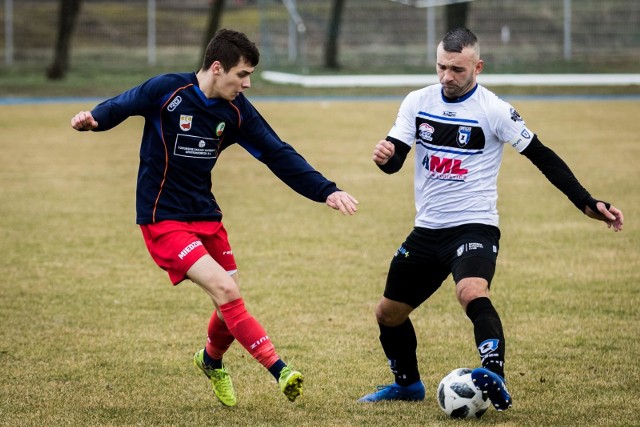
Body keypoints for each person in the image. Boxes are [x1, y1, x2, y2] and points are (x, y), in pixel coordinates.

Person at [71, 28, 358, 407]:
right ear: (217, 68)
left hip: (206, 215)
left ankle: (210, 360)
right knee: (227, 291)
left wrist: (326, 189)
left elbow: (278, 153)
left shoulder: (236, 111)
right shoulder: (168, 91)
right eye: (243, 74)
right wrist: (96, 119)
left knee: (227, 305)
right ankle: (280, 368)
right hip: (162, 218)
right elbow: (123, 104)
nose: (248, 83)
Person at [358, 27, 623, 410]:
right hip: (428, 228)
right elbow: (396, 157)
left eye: (457, 70)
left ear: (478, 67)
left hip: (475, 223)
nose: (447, 77)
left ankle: (493, 373)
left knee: (471, 291)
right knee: (389, 313)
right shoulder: (418, 101)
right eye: (441, 67)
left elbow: (542, 156)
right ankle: (407, 385)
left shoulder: (494, 110)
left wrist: (585, 201)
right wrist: (387, 158)